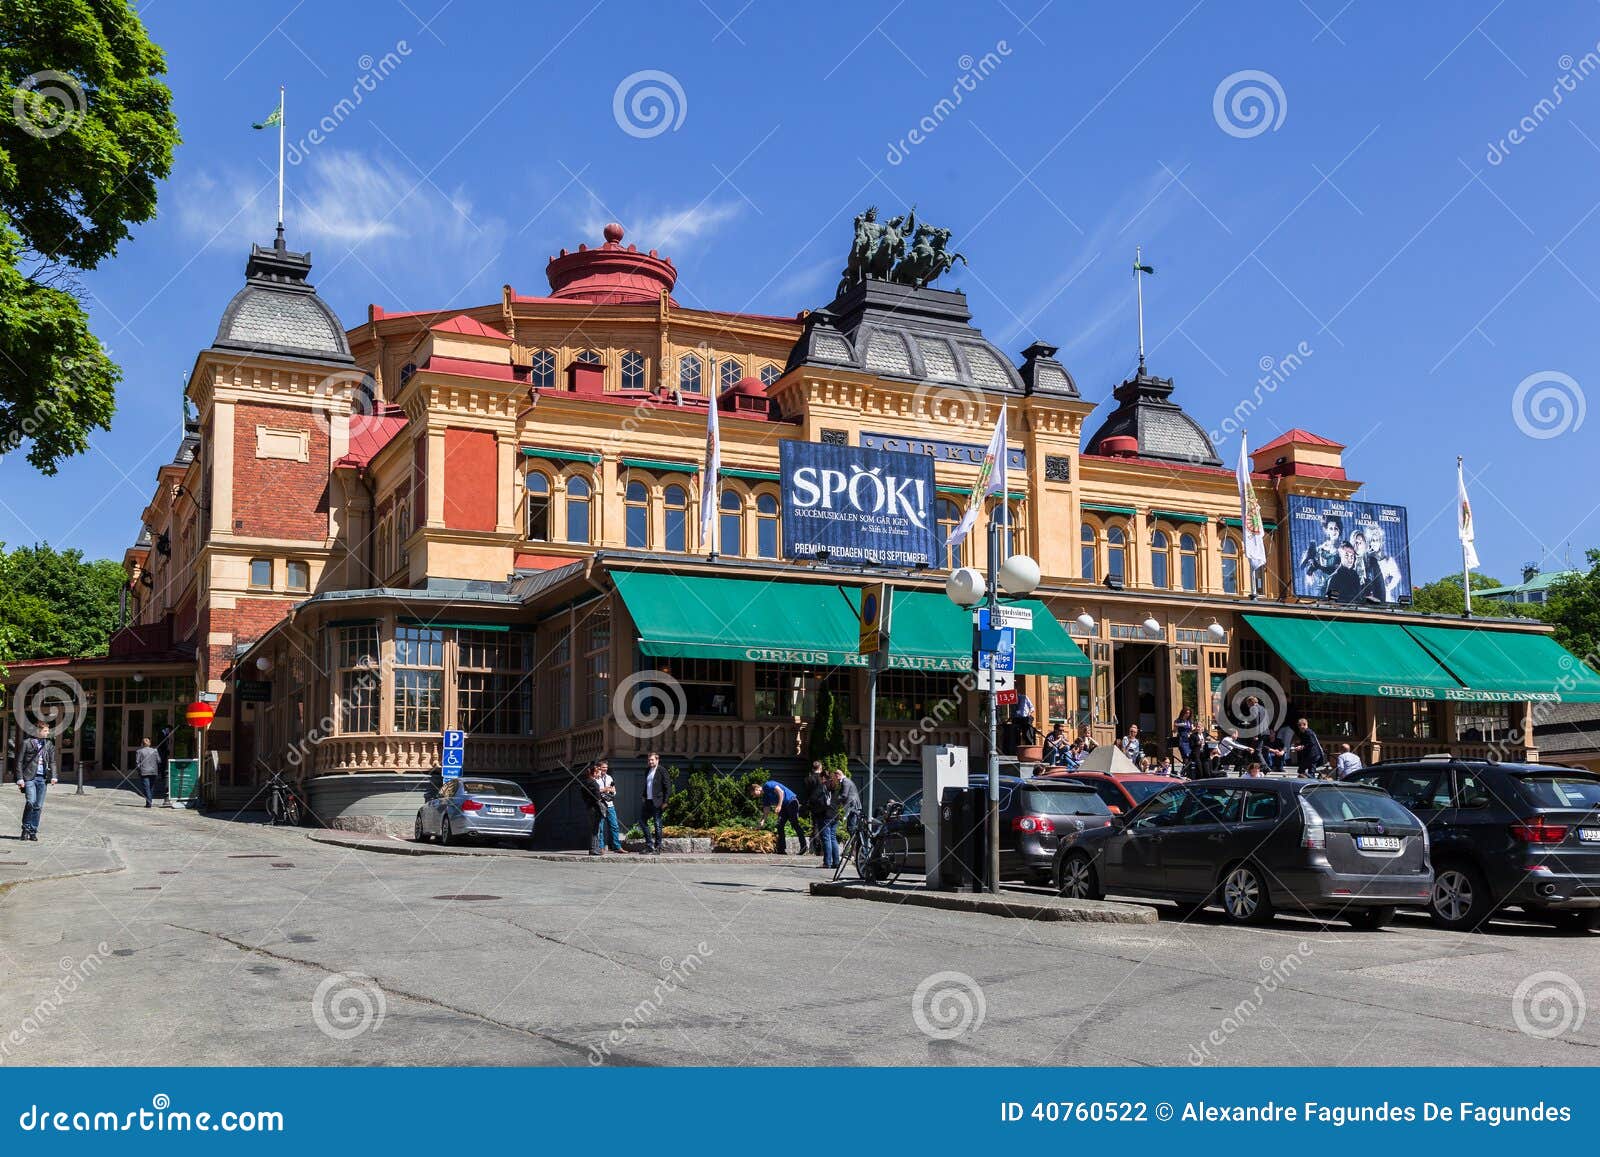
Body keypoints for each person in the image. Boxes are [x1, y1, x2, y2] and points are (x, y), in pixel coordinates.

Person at [16, 722, 59, 841]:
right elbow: (19, 761)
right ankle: (25, 828)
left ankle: (33, 831)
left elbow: (52, 761)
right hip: (29, 777)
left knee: (38, 806)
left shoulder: (49, 744)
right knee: (30, 802)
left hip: (42, 778)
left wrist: (54, 776)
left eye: (47, 730)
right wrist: (20, 778)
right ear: (38, 731)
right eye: (45, 731)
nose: (48, 733)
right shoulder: (27, 743)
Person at [751, 779, 806, 855]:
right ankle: (781, 849)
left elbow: (781, 792)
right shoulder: (765, 797)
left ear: (757, 789)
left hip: (791, 801)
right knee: (780, 825)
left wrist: (779, 805)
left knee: (795, 824)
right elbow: (766, 811)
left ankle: (803, 847)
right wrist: (762, 821)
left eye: (753, 794)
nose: (754, 796)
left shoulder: (768, 785)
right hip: (783, 806)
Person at [808, 767, 840, 869]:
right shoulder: (835, 786)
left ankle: (827, 863)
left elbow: (812, 799)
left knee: (826, 839)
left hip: (825, 815)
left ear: (823, 778)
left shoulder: (822, 786)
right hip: (835, 815)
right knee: (833, 838)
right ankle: (836, 862)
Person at [595, 758, 628, 853]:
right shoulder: (596, 778)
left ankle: (617, 847)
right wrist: (604, 789)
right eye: (603, 768)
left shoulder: (609, 778)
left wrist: (613, 792)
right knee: (600, 827)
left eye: (606, 767)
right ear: (599, 768)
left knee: (615, 826)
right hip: (600, 804)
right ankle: (601, 847)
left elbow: (614, 791)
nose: (605, 769)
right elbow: (595, 791)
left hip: (610, 805)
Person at [639, 751, 669, 853]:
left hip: (658, 801)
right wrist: (644, 795)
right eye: (649, 760)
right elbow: (647, 785)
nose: (650, 761)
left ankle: (658, 846)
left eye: (652, 759)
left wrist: (665, 801)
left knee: (657, 823)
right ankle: (649, 845)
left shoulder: (662, 770)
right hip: (648, 801)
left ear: (657, 760)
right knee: (642, 821)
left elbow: (667, 787)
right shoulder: (648, 770)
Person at [579, 764, 607, 856]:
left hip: (589, 807)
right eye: (599, 773)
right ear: (595, 773)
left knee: (594, 829)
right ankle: (593, 849)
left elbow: (584, 796)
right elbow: (598, 798)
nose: (600, 775)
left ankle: (595, 848)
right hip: (595, 809)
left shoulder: (585, 782)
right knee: (595, 829)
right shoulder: (594, 783)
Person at [830, 769, 862, 841]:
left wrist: (833, 801)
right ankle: (855, 846)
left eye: (835, 777)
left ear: (838, 775)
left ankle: (856, 846)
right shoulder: (846, 781)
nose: (835, 779)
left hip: (853, 807)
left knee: (851, 828)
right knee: (851, 827)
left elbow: (844, 795)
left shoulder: (845, 781)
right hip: (853, 807)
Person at [134, 736, 161, 808]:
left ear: (142, 744)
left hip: (144, 772)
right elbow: (159, 760)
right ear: (150, 743)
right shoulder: (155, 751)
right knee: (151, 787)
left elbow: (137, 763)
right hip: (153, 771)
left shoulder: (139, 751)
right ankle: (149, 802)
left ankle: (149, 802)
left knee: (146, 788)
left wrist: (139, 770)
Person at [1172, 705, 1196, 771]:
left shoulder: (1190, 721)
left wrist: (1195, 729)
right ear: (1183, 713)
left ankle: (1186, 770)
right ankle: (1186, 771)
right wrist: (1176, 726)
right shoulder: (1178, 720)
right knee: (1185, 755)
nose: (1187, 714)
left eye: (1189, 713)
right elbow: (1174, 731)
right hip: (1182, 740)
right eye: (1186, 713)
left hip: (1189, 740)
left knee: (1190, 755)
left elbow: (1192, 730)